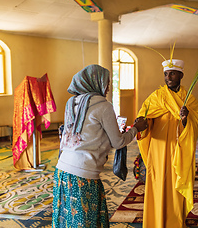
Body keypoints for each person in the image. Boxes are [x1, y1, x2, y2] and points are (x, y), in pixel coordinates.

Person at [52, 64, 148, 227]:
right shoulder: (103, 106)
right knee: (86, 222)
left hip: (62, 170)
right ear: (94, 82)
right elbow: (118, 142)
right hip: (84, 174)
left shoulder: (71, 103)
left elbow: (86, 133)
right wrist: (136, 129)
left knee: (67, 221)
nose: (108, 87)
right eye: (106, 82)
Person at [137, 58, 198, 228]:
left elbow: (196, 126)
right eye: (166, 74)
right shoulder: (156, 97)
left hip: (178, 150)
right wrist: (141, 123)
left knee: (174, 185)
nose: (168, 77)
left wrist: (186, 118)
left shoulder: (190, 100)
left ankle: (175, 221)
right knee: (158, 183)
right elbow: (144, 121)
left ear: (181, 75)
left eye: (172, 73)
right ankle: (155, 221)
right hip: (158, 149)